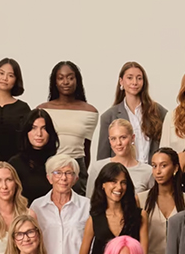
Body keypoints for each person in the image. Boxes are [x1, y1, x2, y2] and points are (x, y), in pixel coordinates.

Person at [30, 154, 91, 254]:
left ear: (75, 179)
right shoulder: (37, 206)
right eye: (57, 173)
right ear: (49, 178)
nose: (63, 178)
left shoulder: (87, 206)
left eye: (68, 173)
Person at [38, 61, 98, 195]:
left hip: (75, 165)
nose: (66, 82)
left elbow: (86, 148)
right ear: (55, 81)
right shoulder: (42, 109)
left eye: (70, 77)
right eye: (61, 78)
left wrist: (79, 172)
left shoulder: (90, 112)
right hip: (49, 164)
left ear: (77, 80)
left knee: (78, 209)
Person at [78, 162, 148, 254]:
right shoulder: (94, 219)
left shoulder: (140, 216)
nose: (119, 187)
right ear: (103, 184)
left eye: (123, 182)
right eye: (113, 182)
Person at [97, 61, 167, 164]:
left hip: (153, 174)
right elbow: (102, 159)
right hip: (122, 175)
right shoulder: (109, 116)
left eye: (139, 78)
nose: (134, 82)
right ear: (121, 81)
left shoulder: (157, 111)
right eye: (130, 78)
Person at [137, 148, 185, 254]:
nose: (158, 171)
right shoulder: (141, 199)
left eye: (163, 165)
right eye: (154, 166)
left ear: (175, 168)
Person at [86, 118, 155, 198]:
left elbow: (151, 204)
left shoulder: (147, 171)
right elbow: (89, 201)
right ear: (109, 141)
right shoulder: (98, 167)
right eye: (113, 139)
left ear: (132, 138)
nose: (118, 143)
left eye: (123, 137)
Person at [8, 109, 60, 204]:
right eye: (33, 128)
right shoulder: (15, 164)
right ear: (26, 131)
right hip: (23, 215)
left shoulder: (58, 163)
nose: (39, 134)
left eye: (44, 128)